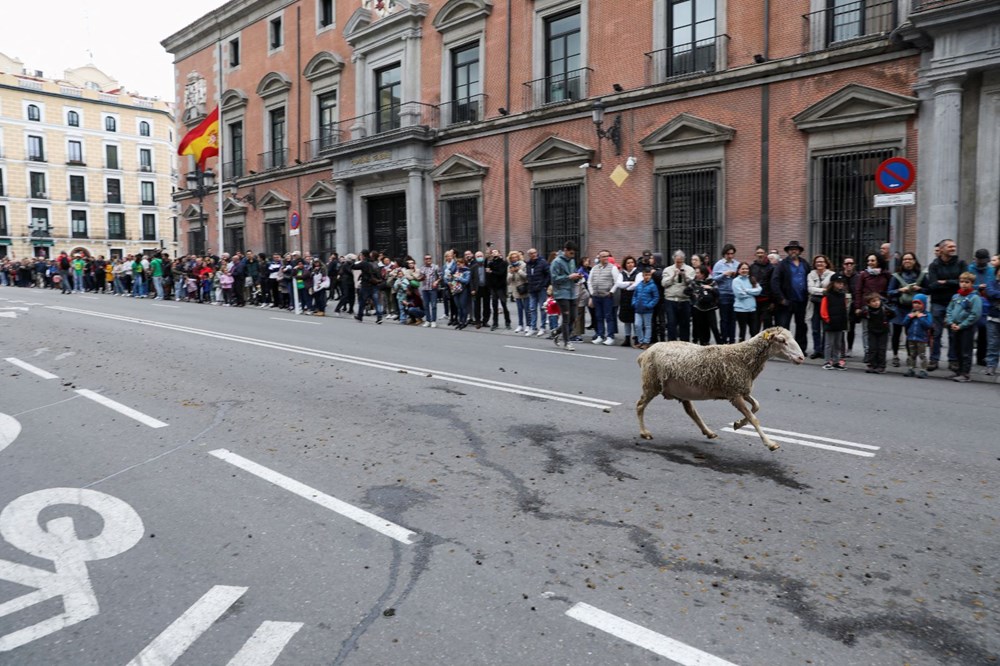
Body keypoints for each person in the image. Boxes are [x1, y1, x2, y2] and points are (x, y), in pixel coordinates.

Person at [926, 239, 967, 372]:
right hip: (938, 302)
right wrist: (951, 283)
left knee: (953, 333)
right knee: (936, 333)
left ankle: (953, 360)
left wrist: (944, 282)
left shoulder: (961, 263)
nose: (953, 248)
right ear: (942, 249)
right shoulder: (934, 265)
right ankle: (934, 359)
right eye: (950, 246)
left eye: (954, 246)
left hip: (955, 303)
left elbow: (963, 282)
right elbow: (932, 285)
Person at [887, 252, 925, 368]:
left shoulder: (920, 276)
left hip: (914, 309)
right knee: (896, 333)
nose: (907, 261)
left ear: (914, 261)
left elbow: (929, 290)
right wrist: (900, 290)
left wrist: (920, 288)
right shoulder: (897, 276)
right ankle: (895, 356)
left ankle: (911, 357)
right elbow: (889, 292)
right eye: (905, 260)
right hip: (899, 307)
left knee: (911, 333)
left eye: (910, 259)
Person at [945, 272, 983, 382]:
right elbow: (949, 310)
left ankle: (965, 373)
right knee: (957, 350)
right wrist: (951, 322)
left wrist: (962, 325)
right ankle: (958, 371)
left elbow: (974, 314)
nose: (964, 284)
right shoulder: (956, 296)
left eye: (967, 282)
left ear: (972, 283)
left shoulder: (974, 298)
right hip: (955, 326)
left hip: (966, 328)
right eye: (962, 282)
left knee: (965, 351)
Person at [771, 240, 809, 351]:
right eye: (791, 249)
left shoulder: (805, 264)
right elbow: (775, 282)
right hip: (786, 301)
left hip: (801, 300)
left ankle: (800, 348)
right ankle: (782, 348)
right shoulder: (782, 265)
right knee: (783, 326)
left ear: (799, 251)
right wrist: (781, 298)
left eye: (795, 249)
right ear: (788, 251)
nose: (793, 251)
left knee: (801, 326)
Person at [854, 253, 891, 365]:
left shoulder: (886, 274)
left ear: (878, 261)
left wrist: (888, 304)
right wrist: (858, 307)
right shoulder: (863, 275)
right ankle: (868, 353)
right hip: (867, 307)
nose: (870, 263)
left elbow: (890, 289)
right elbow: (858, 291)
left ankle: (880, 356)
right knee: (866, 331)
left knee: (882, 331)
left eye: (872, 261)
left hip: (881, 307)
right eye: (868, 261)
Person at [550, 240, 583, 351]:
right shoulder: (556, 262)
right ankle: (567, 342)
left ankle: (556, 332)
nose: (572, 256)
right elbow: (554, 279)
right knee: (566, 318)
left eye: (574, 253)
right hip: (561, 293)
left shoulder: (572, 261)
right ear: (565, 250)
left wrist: (577, 277)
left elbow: (572, 274)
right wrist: (569, 277)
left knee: (573, 318)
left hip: (572, 292)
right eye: (571, 253)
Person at [967, 249, 995, 367]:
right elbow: (965, 283)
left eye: (984, 260)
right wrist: (978, 287)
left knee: (984, 332)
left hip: (987, 304)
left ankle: (981, 358)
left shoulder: (991, 270)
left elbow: (993, 284)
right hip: (971, 303)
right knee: (969, 332)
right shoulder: (970, 269)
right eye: (980, 260)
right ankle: (966, 357)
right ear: (976, 259)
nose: (982, 262)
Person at [587, 250, 621, 345]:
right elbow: (589, 281)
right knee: (598, 316)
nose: (606, 258)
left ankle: (610, 336)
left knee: (608, 316)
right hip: (596, 296)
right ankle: (600, 335)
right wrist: (592, 292)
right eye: (603, 256)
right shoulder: (594, 268)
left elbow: (617, 281)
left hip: (607, 296)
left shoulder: (613, 268)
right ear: (599, 258)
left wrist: (611, 291)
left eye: (607, 256)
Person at [661, 250, 694, 342]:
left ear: (684, 260)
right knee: (671, 323)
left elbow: (691, 283)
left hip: (684, 300)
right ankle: (672, 344)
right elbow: (664, 283)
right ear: (673, 259)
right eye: (677, 262)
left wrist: (684, 275)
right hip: (670, 300)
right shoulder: (667, 270)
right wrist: (673, 276)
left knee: (685, 324)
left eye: (681, 262)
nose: (679, 264)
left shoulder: (690, 269)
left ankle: (685, 344)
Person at [820, 273, 849, 370]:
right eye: (838, 283)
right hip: (830, 322)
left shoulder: (842, 295)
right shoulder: (827, 295)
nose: (841, 285)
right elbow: (823, 310)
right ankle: (827, 361)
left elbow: (844, 308)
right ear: (833, 283)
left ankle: (836, 361)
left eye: (842, 283)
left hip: (839, 322)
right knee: (829, 343)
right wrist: (827, 319)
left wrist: (844, 320)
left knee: (838, 343)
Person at [806, 254, 833, 358]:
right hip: (814, 305)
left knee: (826, 328)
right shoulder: (811, 274)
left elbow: (830, 290)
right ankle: (817, 350)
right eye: (817, 262)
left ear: (826, 263)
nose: (819, 264)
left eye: (822, 262)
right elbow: (810, 289)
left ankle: (824, 350)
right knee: (815, 328)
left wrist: (817, 290)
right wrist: (823, 291)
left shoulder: (831, 275)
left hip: (826, 304)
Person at [860, 292, 895, 374]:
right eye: (873, 301)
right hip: (872, 331)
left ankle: (881, 366)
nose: (876, 303)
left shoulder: (884, 309)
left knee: (881, 349)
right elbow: (861, 315)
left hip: (883, 331)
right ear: (869, 303)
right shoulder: (867, 310)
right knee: (872, 348)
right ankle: (872, 364)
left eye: (877, 301)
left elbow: (893, 314)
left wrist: (887, 320)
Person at [711, 244, 739, 344]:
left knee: (733, 319)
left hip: (735, 294)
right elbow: (713, 279)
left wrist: (735, 274)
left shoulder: (737, 264)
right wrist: (724, 274)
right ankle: (724, 339)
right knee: (724, 319)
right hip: (723, 294)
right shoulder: (719, 264)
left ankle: (732, 340)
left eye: (732, 254)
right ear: (724, 254)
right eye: (728, 254)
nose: (730, 256)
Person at [689, 264, 721, 346]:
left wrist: (711, 288)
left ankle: (720, 344)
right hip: (699, 308)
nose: (696, 274)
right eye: (696, 273)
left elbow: (717, 293)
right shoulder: (694, 282)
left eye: (698, 273)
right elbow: (687, 291)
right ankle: (704, 344)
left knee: (714, 327)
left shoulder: (711, 281)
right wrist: (695, 297)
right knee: (701, 327)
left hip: (710, 308)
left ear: (703, 273)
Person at [903, 294, 933, 378]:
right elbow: (904, 323)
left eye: (919, 303)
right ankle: (911, 368)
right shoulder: (911, 314)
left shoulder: (927, 315)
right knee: (911, 354)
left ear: (923, 304)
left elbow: (928, 325)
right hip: (911, 337)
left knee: (922, 355)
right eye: (914, 303)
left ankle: (923, 370)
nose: (916, 305)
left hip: (921, 339)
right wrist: (909, 317)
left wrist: (921, 317)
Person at [732, 262, 762, 342]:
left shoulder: (752, 279)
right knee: (742, 331)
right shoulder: (736, 281)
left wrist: (746, 290)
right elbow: (740, 295)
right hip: (741, 310)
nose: (745, 270)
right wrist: (752, 293)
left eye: (746, 269)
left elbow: (759, 291)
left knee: (754, 331)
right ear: (738, 270)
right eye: (743, 269)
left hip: (752, 309)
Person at [632, 266, 659, 349]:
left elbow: (656, 297)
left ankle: (646, 342)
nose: (647, 277)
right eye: (645, 275)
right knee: (637, 325)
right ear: (643, 275)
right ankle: (640, 340)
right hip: (638, 309)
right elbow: (635, 295)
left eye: (648, 275)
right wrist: (634, 303)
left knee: (647, 326)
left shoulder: (653, 286)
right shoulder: (639, 284)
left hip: (647, 310)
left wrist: (649, 305)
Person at [354, 250, 384, 324]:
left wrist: (352, 260)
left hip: (366, 284)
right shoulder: (377, 263)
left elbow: (354, 266)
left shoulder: (365, 263)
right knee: (377, 302)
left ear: (363, 255)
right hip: (375, 284)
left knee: (362, 301)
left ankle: (360, 316)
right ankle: (379, 317)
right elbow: (380, 274)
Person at [616, 256, 640, 347]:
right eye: (628, 263)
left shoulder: (638, 273)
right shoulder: (622, 274)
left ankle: (637, 338)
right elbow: (618, 284)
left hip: (634, 299)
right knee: (626, 320)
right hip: (624, 300)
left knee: (635, 321)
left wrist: (626, 287)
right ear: (625, 264)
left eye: (632, 262)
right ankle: (627, 339)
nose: (630, 264)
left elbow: (637, 285)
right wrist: (630, 283)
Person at [749, 246, 775, 331]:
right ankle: (755, 343)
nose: (760, 255)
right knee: (754, 326)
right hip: (754, 301)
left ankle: (766, 344)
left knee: (767, 326)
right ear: (755, 254)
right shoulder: (751, 267)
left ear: (766, 254)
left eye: (762, 253)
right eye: (758, 253)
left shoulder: (771, 268)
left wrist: (772, 301)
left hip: (766, 301)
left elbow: (773, 285)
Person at [486, 248, 511, 331]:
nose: (493, 253)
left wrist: (491, 272)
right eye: (492, 252)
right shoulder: (491, 263)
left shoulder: (503, 263)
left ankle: (508, 322)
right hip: (493, 287)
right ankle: (495, 323)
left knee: (504, 305)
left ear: (499, 253)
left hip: (501, 287)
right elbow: (488, 273)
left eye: (495, 251)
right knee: (494, 305)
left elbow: (501, 273)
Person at [985, 254, 1000, 376]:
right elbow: (990, 293)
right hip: (993, 317)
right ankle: (991, 365)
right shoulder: (992, 282)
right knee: (992, 343)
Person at [418, 253, 441, 328]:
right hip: (425, 289)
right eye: (426, 259)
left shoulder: (435, 267)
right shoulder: (422, 268)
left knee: (434, 305)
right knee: (426, 305)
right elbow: (420, 278)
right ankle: (428, 320)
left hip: (432, 289)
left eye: (429, 258)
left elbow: (440, 276)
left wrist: (436, 282)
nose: (428, 260)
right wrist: (421, 277)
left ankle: (433, 321)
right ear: (424, 260)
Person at [450, 257, 471, 329]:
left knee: (463, 307)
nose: (458, 265)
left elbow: (467, 281)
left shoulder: (467, 271)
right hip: (456, 290)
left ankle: (463, 322)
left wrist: (458, 278)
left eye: (459, 264)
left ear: (463, 263)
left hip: (463, 290)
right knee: (458, 307)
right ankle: (460, 321)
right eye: (457, 264)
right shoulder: (457, 270)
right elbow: (453, 279)